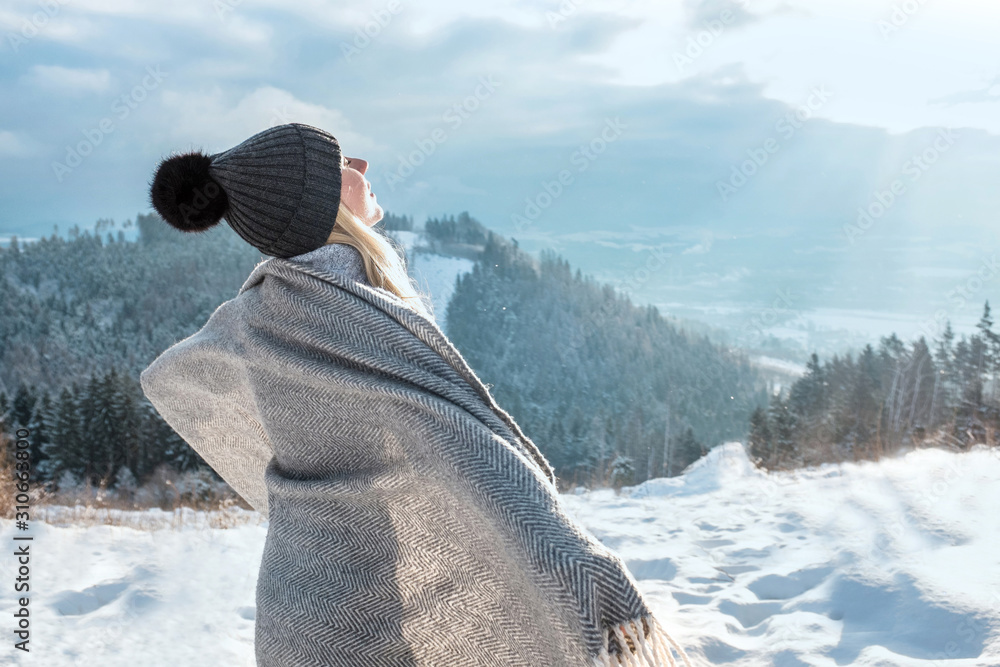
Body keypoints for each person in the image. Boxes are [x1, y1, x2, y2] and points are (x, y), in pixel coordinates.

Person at [141, 123, 692, 667]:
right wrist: (591, 578)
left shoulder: (258, 311)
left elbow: (170, 377)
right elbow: (475, 459)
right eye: (338, 163)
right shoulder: (353, 318)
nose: (359, 166)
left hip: (295, 605)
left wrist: (307, 495)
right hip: (360, 627)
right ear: (319, 203)